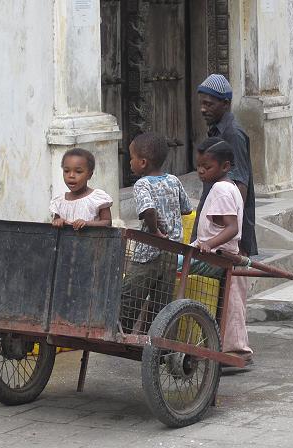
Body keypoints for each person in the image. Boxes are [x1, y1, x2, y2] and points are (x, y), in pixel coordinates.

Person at [120, 132, 193, 332]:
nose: (130, 162)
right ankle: (156, 340)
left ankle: (122, 332)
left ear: (142, 162)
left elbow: (148, 209)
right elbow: (186, 208)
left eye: (131, 157)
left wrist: (155, 232)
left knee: (130, 297)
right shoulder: (173, 180)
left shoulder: (142, 184)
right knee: (161, 302)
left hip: (147, 254)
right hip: (171, 251)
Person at [191, 137, 252, 364]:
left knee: (168, 263)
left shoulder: (221, 189)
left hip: (216, 256)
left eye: (207, 167)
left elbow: (232, 227)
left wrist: (209, 244)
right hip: (213, 253)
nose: (201, 171)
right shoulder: (227, 187)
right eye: (198, 166)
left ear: (225, 167)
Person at [193, 73, 257, 257]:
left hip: (226, 241)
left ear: (226, 103)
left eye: (209, 104)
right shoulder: (216, 130)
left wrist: (224, 236)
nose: (203, 110)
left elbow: (240, 185)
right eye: (202, 104)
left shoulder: (233, 134)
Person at [50, 148, 113, 229]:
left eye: (78, 171)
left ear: (89, 175)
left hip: (92, 241)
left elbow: (107, 222)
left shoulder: (97, 198)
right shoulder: (60, 201)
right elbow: (55, 222)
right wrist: (58, 221)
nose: (71, 175)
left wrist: (87, 224)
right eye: (66, 171)